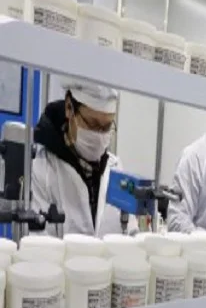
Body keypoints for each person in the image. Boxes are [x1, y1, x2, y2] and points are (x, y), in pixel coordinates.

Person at [32, 80, 136, 236]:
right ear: (69, 108)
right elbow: (36, 241)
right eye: (92, 124)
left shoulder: (116, 168)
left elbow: (131, 233)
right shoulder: (42, 168)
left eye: (106, 127)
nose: (99, 136)